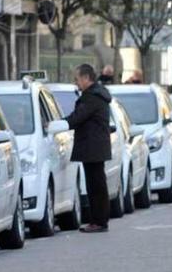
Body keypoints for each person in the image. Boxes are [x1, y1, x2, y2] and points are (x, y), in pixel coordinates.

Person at [64, 64, 113, 233]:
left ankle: (99, 221)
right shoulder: (96, 94)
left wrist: (62, 123)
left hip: (93, 146)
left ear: (86, 78)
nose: (76, 83)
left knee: (95, 185)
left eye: (77, 79)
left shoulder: (91, 97)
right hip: (95, 146)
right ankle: (99, 220)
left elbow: (78, 117)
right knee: (96, 184)